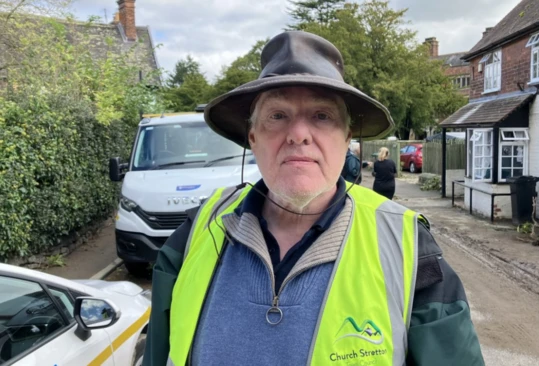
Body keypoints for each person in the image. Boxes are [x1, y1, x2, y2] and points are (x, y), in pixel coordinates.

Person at [143, 30, 484, 366]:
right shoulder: (197, 230)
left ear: (347, 138)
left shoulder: (407, 245)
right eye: (278, 116)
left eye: (322, 116)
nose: (299, 135)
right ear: (253, 138)